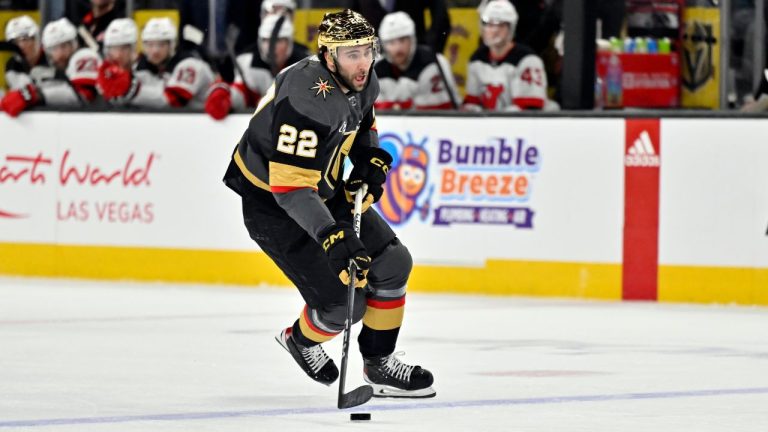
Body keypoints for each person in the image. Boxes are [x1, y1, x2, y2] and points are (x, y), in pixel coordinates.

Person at [222, 9, 435, 398]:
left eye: (367, 50)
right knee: (343, 305)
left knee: (392, 264)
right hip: (274, 205)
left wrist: (369, 158)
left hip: (322, 185)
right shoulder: (304, 98)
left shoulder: (363, 76)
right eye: (350, 53)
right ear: (328, 55)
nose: (363, 62)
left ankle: (379, 362)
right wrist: (332, 236)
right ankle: (300, 340)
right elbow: (289, 188)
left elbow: (362, 119)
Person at [205, 13, 310, 119]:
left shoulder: (308, 66)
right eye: (265, 40)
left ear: (289, 42)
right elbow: (241, 94)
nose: (270, 47)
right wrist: (224, 94)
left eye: (278, 40)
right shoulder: (246, 62)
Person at [97, 17, 215, 109]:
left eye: (161, 44)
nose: (155, 51)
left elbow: (174, 100)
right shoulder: (143, 69)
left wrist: (130, 90)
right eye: (150, 44)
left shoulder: (190, 65)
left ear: (172, 45)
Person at [463, 0, 555, 111]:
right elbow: (472, 102)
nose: (495, 30)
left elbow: (530, 109)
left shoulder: (527, 60)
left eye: (501, 25)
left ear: (511, 28)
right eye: (489, 24)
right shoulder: (477, 58)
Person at [1, 18, 101, 117]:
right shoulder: (27, 68)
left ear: (75, 44)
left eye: (64, 46)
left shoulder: (85, 57)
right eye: (53, 48)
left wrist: (33, 95)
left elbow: (83, 97)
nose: (60, 54)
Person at [374, 11, 459, 110]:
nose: (398, 48)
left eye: (402, 40)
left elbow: (442, 108)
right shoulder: (377, 71)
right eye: (391, 42)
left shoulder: (434, 63)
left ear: (412, 39)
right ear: (384, 45)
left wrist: (399, 105)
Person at [351, 0, 451, 54]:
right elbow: (351, 22)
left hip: (416, 62)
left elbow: (441, 19)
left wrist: (429, 51)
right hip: (375, 66)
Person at [3, 15, 46, 91]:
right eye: (14, 42)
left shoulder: (52, 59)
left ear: (36, 39)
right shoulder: (11, 65)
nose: (20, 46)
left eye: (25, 39)